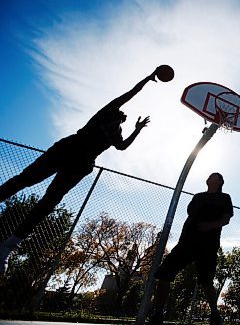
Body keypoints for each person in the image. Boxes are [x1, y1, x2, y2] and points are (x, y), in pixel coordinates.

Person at [0, 65, 174, 274]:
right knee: (25, 179)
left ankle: (9, 245)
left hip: (81, 164)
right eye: (122, 112)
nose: (124, 114)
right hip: (68, 148)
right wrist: (148, 78)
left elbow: (122, 146)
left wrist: (137, 130)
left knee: (49, 201)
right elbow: (130, 94)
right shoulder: (106, 113)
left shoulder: (116, 133)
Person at [146, 172, 233, 325]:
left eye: (214, 176)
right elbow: (190, 214)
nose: (210, 177)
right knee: (164, 273)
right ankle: (158, 315)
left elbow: (226, 219)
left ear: (220, 181)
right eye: (209, 176)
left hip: (208, 245)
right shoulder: (198, 196)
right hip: (186, 242)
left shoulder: (224, 198)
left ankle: (215, 315)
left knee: (206, 282)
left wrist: (210, 225)